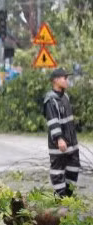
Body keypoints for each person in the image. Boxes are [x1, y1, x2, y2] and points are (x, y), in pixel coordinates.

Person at [43, 67, 80, 197]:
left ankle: (67, 198)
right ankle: (60, 199)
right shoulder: (50, 100)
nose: (67, 81)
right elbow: (53, 121)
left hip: (71, 142)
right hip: (59, 143)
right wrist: (59, 139)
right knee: (58, 171)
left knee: (74, 167)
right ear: (56, 80)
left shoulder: (65, 97)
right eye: (65, 78)